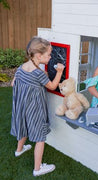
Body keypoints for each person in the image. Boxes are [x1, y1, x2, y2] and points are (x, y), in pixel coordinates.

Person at [11, 36, 65, 176]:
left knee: (23, 127)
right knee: (40, 137)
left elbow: (13, 84)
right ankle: (38, 169)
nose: (50, 57)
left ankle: (19, 150)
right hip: (34, 109)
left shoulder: (22, 67)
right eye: (49, 55)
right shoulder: (38, 73)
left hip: (22, 107)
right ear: (39, 56)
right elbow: (53, 86)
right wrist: (59, 72)